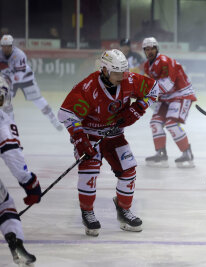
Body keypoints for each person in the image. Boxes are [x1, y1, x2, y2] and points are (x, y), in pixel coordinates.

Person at [57, 49, 159, 236]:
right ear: (104, 70)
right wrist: (80, 140)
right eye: (117, 73)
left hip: (114, 134)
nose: (122, 76)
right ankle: (87, 212)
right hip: (90, 134)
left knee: (128, 170)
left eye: (124, 71)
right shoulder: (88, 88)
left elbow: (153, 89)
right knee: (90, 169)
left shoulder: (129, 80)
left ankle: (123, 210)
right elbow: (66, 113)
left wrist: (137, 108)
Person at [0, 75, 41, 265]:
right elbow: (13, 158)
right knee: (4, 204)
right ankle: (14, 238)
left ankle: (13, 237)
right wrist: (30, 184)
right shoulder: (2, 121)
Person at [142, 37, 197, 168]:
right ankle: (160, 153)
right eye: (147, 49)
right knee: (155, 123)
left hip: (181, 94)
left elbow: (167, 85)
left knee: (172, 124)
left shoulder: (165, 61)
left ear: (157, 49)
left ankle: (187, 153)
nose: (150, 51)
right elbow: (154, 87)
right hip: (166, 97)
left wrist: (145, 96)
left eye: (152, 48)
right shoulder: (146, 66)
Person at [0, 34, 63, 131]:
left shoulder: (19, 55)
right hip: (9, 78)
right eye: (3, 46)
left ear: (12, 45)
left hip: (25, 78)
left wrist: (7, 79)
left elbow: (19, 75)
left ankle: (54, 120)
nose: (5, 48)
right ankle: (11, 127)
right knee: (6, 102)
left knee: (38, 100)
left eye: (7, 46)